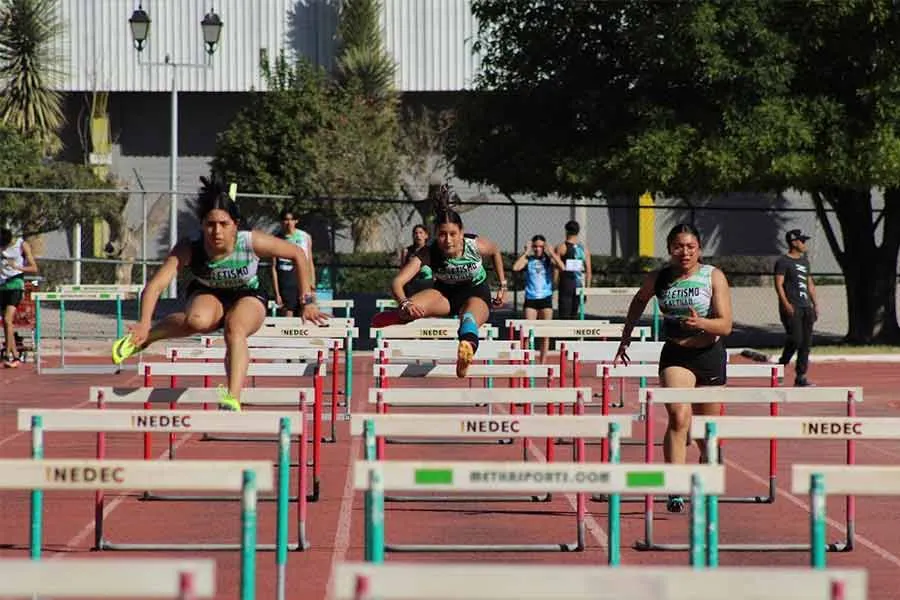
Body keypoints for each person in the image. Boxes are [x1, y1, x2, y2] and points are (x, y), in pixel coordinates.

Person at [110, 176, 326, 411]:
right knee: (196, 321)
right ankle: (149, 337)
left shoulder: (250, 241)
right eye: (210, 224)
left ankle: (232, 396)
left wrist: (308, 301)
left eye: (224, 224)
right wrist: (143, 323)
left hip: (248, 294)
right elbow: (155, 286)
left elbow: (298, 254)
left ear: (235, 224)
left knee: (236, 328)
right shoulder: (190, 247)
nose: (216, 231)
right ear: (202, 224)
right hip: (208, 292)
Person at [613, 223, 732, 514]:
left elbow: (726, 325)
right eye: (679, 246)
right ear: (669, 249)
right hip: (676, 355)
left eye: (691, 247)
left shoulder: (713, 276)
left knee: (706, 433)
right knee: (679, 418)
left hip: (709, 353)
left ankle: (707, 465)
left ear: (699, 249)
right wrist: (626, 335)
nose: (685, 252)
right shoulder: (659, 277)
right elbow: (639, 300)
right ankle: (675, 486)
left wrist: (701, 323)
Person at [372, 190, 507, 377]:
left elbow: (495, 251)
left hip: (476, 293)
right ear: (435, 234)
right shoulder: (429, 253)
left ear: (461, 232)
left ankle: (465, 353)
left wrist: (502, 285)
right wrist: (404, 303)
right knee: (411, 307)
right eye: (443, 235)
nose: (448, 240)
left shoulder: (475, 245)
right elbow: (398, 281)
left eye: (453, 234)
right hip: (445, 294)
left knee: (468, 319)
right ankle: (399, 316)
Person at [774, 229, 818, 387]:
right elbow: (778, 284)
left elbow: (809, 283)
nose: (804, 244)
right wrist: (785, 303)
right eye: (802, 241)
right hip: (792, 307)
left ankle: (800, 376)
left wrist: (815, 304)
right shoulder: (783, 262)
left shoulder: (805, 261)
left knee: (806, 343)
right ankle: (780, 365)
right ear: (794, 242)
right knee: (795, 339)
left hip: (806, 307)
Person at [512, 234, 566, 363]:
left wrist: (552, 253)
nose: (537, 249)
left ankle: (542, 362)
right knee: (527, 333)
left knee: (545, 333)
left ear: (544, 247)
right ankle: (526, 361)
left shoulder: (548, 260)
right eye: (535, 246)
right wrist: (526, 251)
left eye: (540, 246)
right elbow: (515, 267)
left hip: (545, 299)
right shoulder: (528, 259)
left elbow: (563, 267)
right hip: (531, 299)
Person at [0, 227, 38, 368]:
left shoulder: (21, 244)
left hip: (15, 284)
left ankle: (13, 356)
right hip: (2, 286)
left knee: (9, 320)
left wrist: (16, 267)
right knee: (5, 322)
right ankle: (12, 353)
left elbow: (34, 268)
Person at [270, 207, 315, 317]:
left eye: (291, 219)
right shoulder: (276, 239)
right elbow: (274, 267)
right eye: (285, 220)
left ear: (296, 221)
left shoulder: (305, 237)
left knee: (305, 312)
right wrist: (277, 293)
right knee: (288, 315)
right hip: (286, 280)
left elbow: (310, 262)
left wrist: (312, 283)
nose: (288, 223)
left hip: (303, 279)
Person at [555, 220, 591, 319]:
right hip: (579, 284)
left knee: (564, 315)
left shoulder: (561, 247)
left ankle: (564, 334)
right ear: (578, 232)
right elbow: (588, 271)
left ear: (566, 231)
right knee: (574, 315)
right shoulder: (584, 249)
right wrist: (587, 290)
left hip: (566, 284)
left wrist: (554, 283)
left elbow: (556, 269)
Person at [398, 224, 432, 298]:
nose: (418, 235)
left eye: (420, 233)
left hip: (426, 286)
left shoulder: (431, 251)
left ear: (426, 235)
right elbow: (402, 270)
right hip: (410, 286)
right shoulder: (406, 251)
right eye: (416, 233)